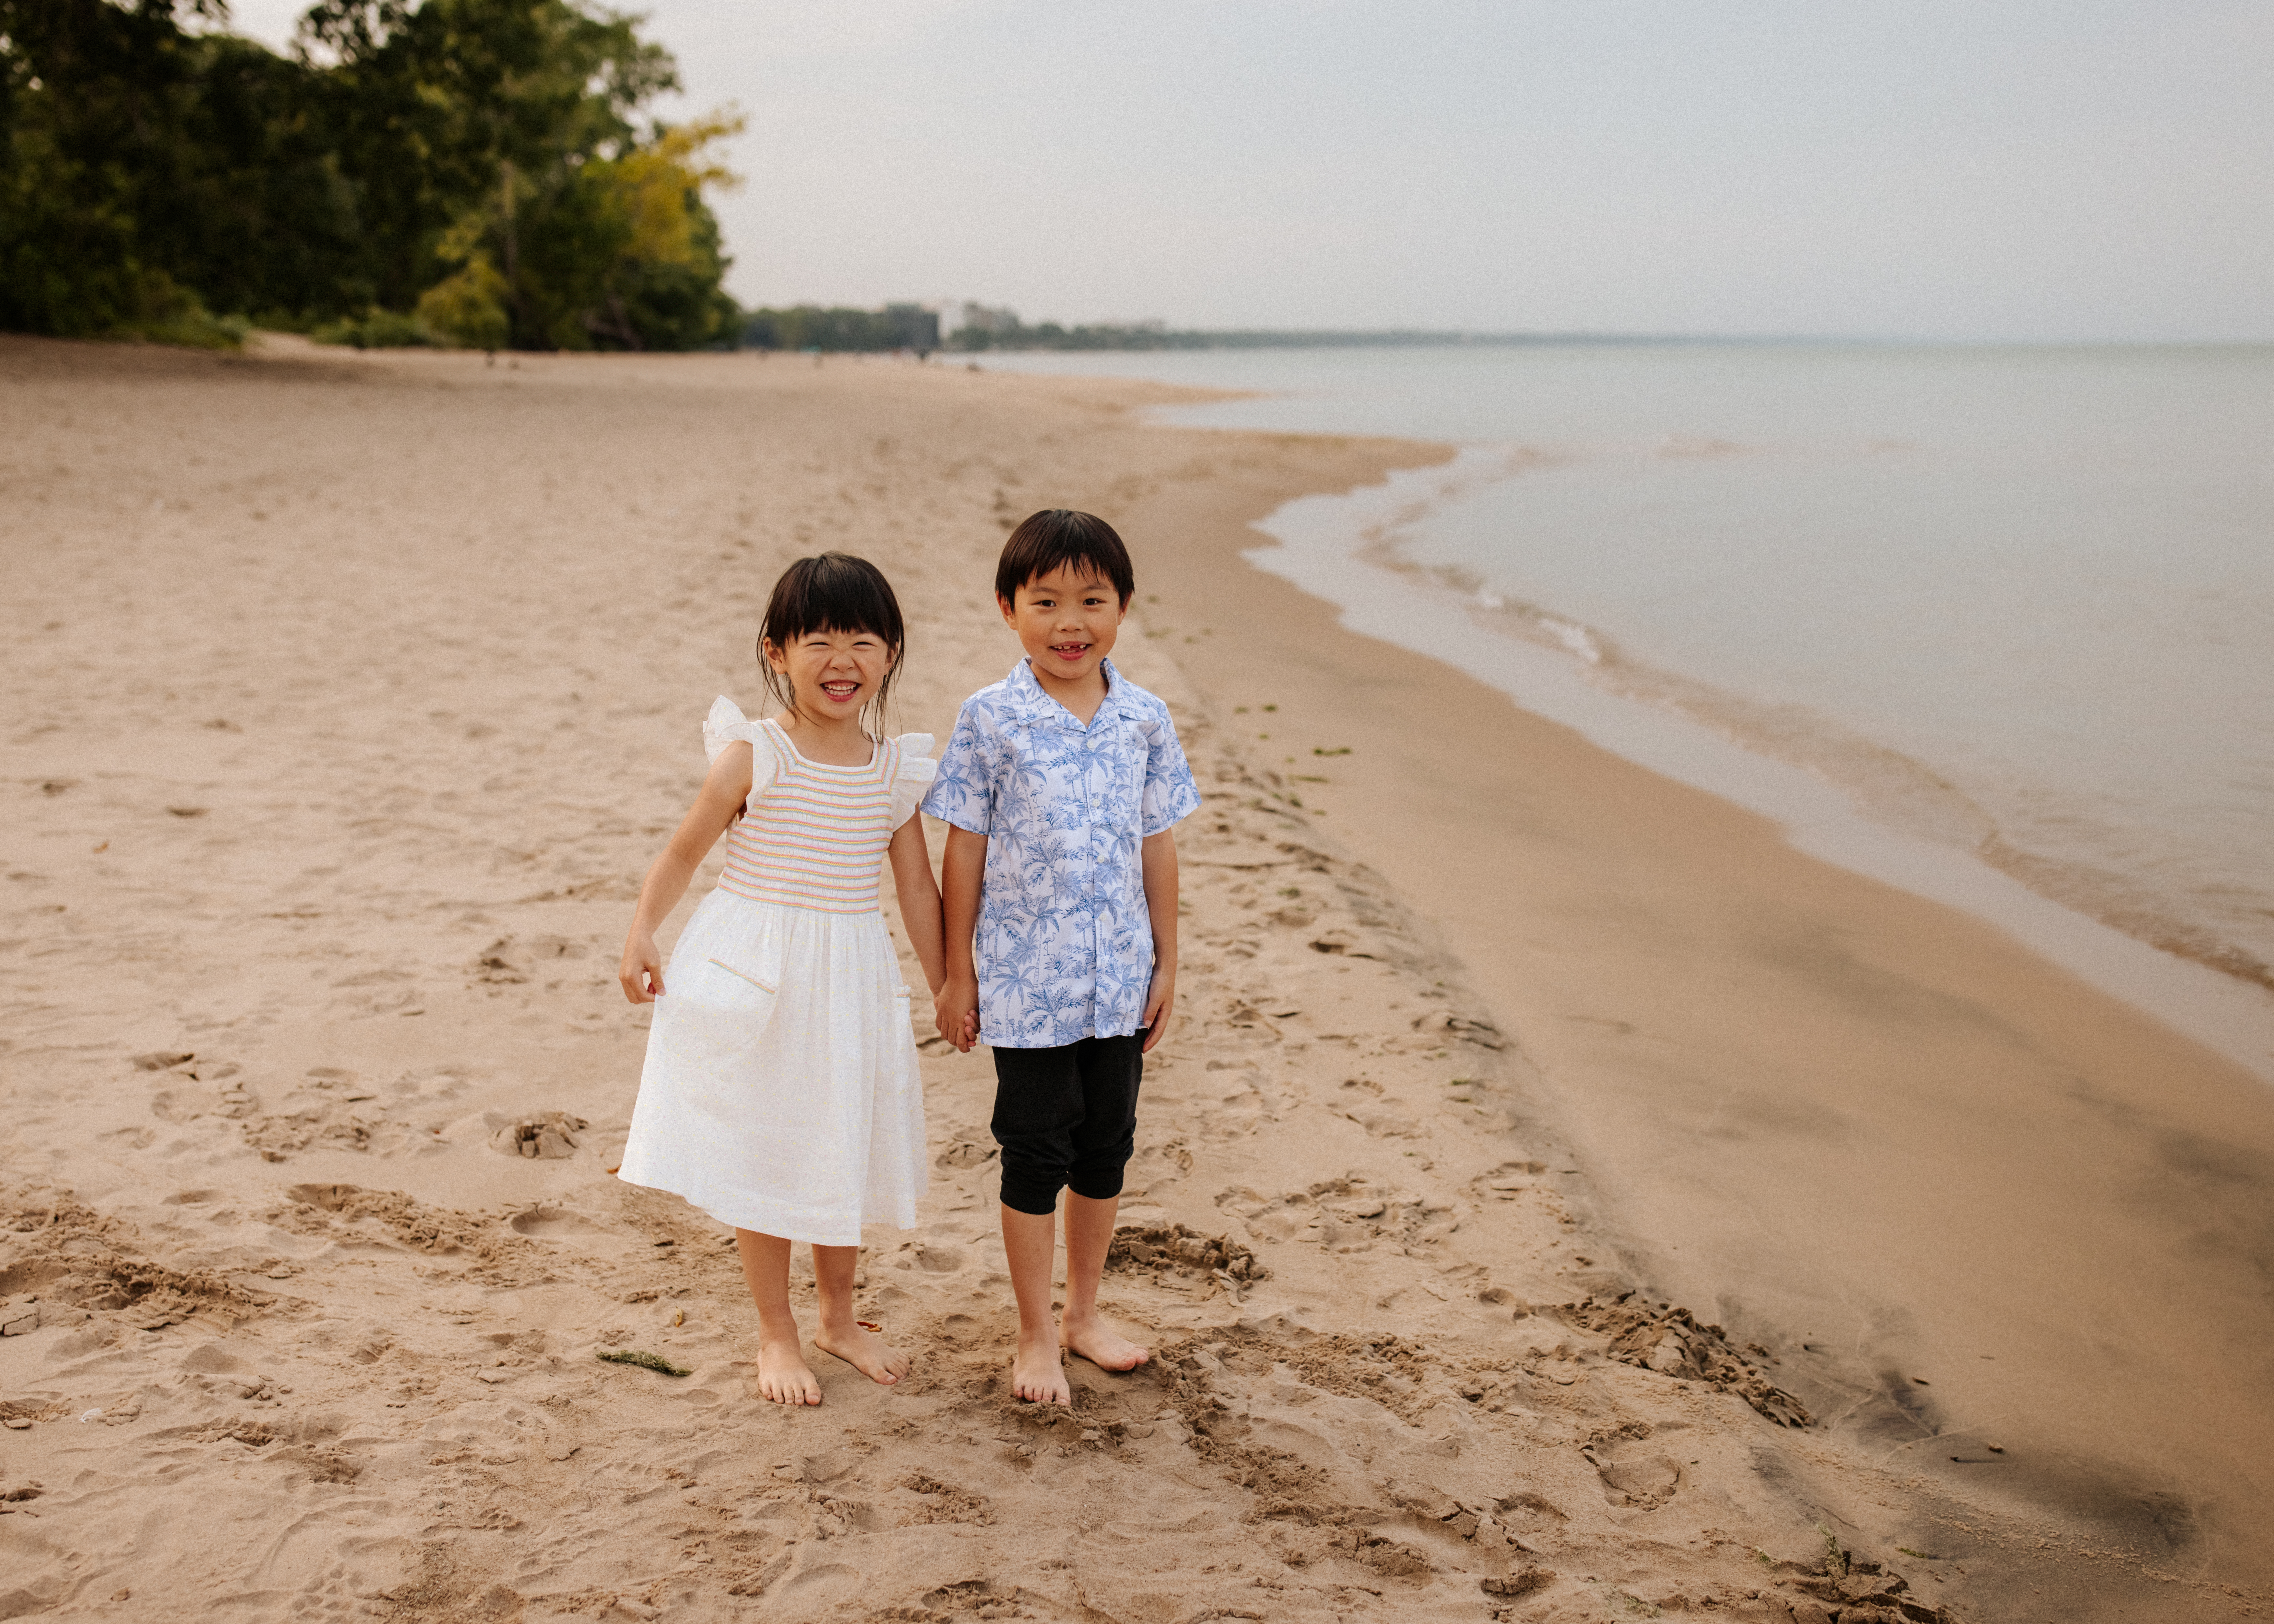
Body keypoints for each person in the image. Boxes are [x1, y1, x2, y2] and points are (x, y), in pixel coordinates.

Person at [615, 552, 946, 1407]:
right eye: (820, 642)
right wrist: (642, 931)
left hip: (850, 979)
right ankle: (777, 1331)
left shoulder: (891, 772)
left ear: (890, 655)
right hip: (756, 967)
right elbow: (684, 851)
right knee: (765, 1149)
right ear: (776, 653)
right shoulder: (752, 755)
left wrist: (950, 982)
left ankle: (840, 1318)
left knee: (837, 1145)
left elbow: (915, 888)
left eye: (864, 642)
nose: (843, 661)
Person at [925, 510, 1202, 1406]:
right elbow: (962, 846)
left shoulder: (1144, 719)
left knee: (1106, 1149)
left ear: (1123, 608)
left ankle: (1085, 1315)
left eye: (1092, 600)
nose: (1069, 622)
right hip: (1025, 980)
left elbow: (1157, 843)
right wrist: (956, 970)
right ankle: (1035, 1334)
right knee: (1034, 1151)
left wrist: (1167, 963)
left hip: (1119, 977)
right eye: (1045, 602)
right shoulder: (990, 718)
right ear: (1009, 609)